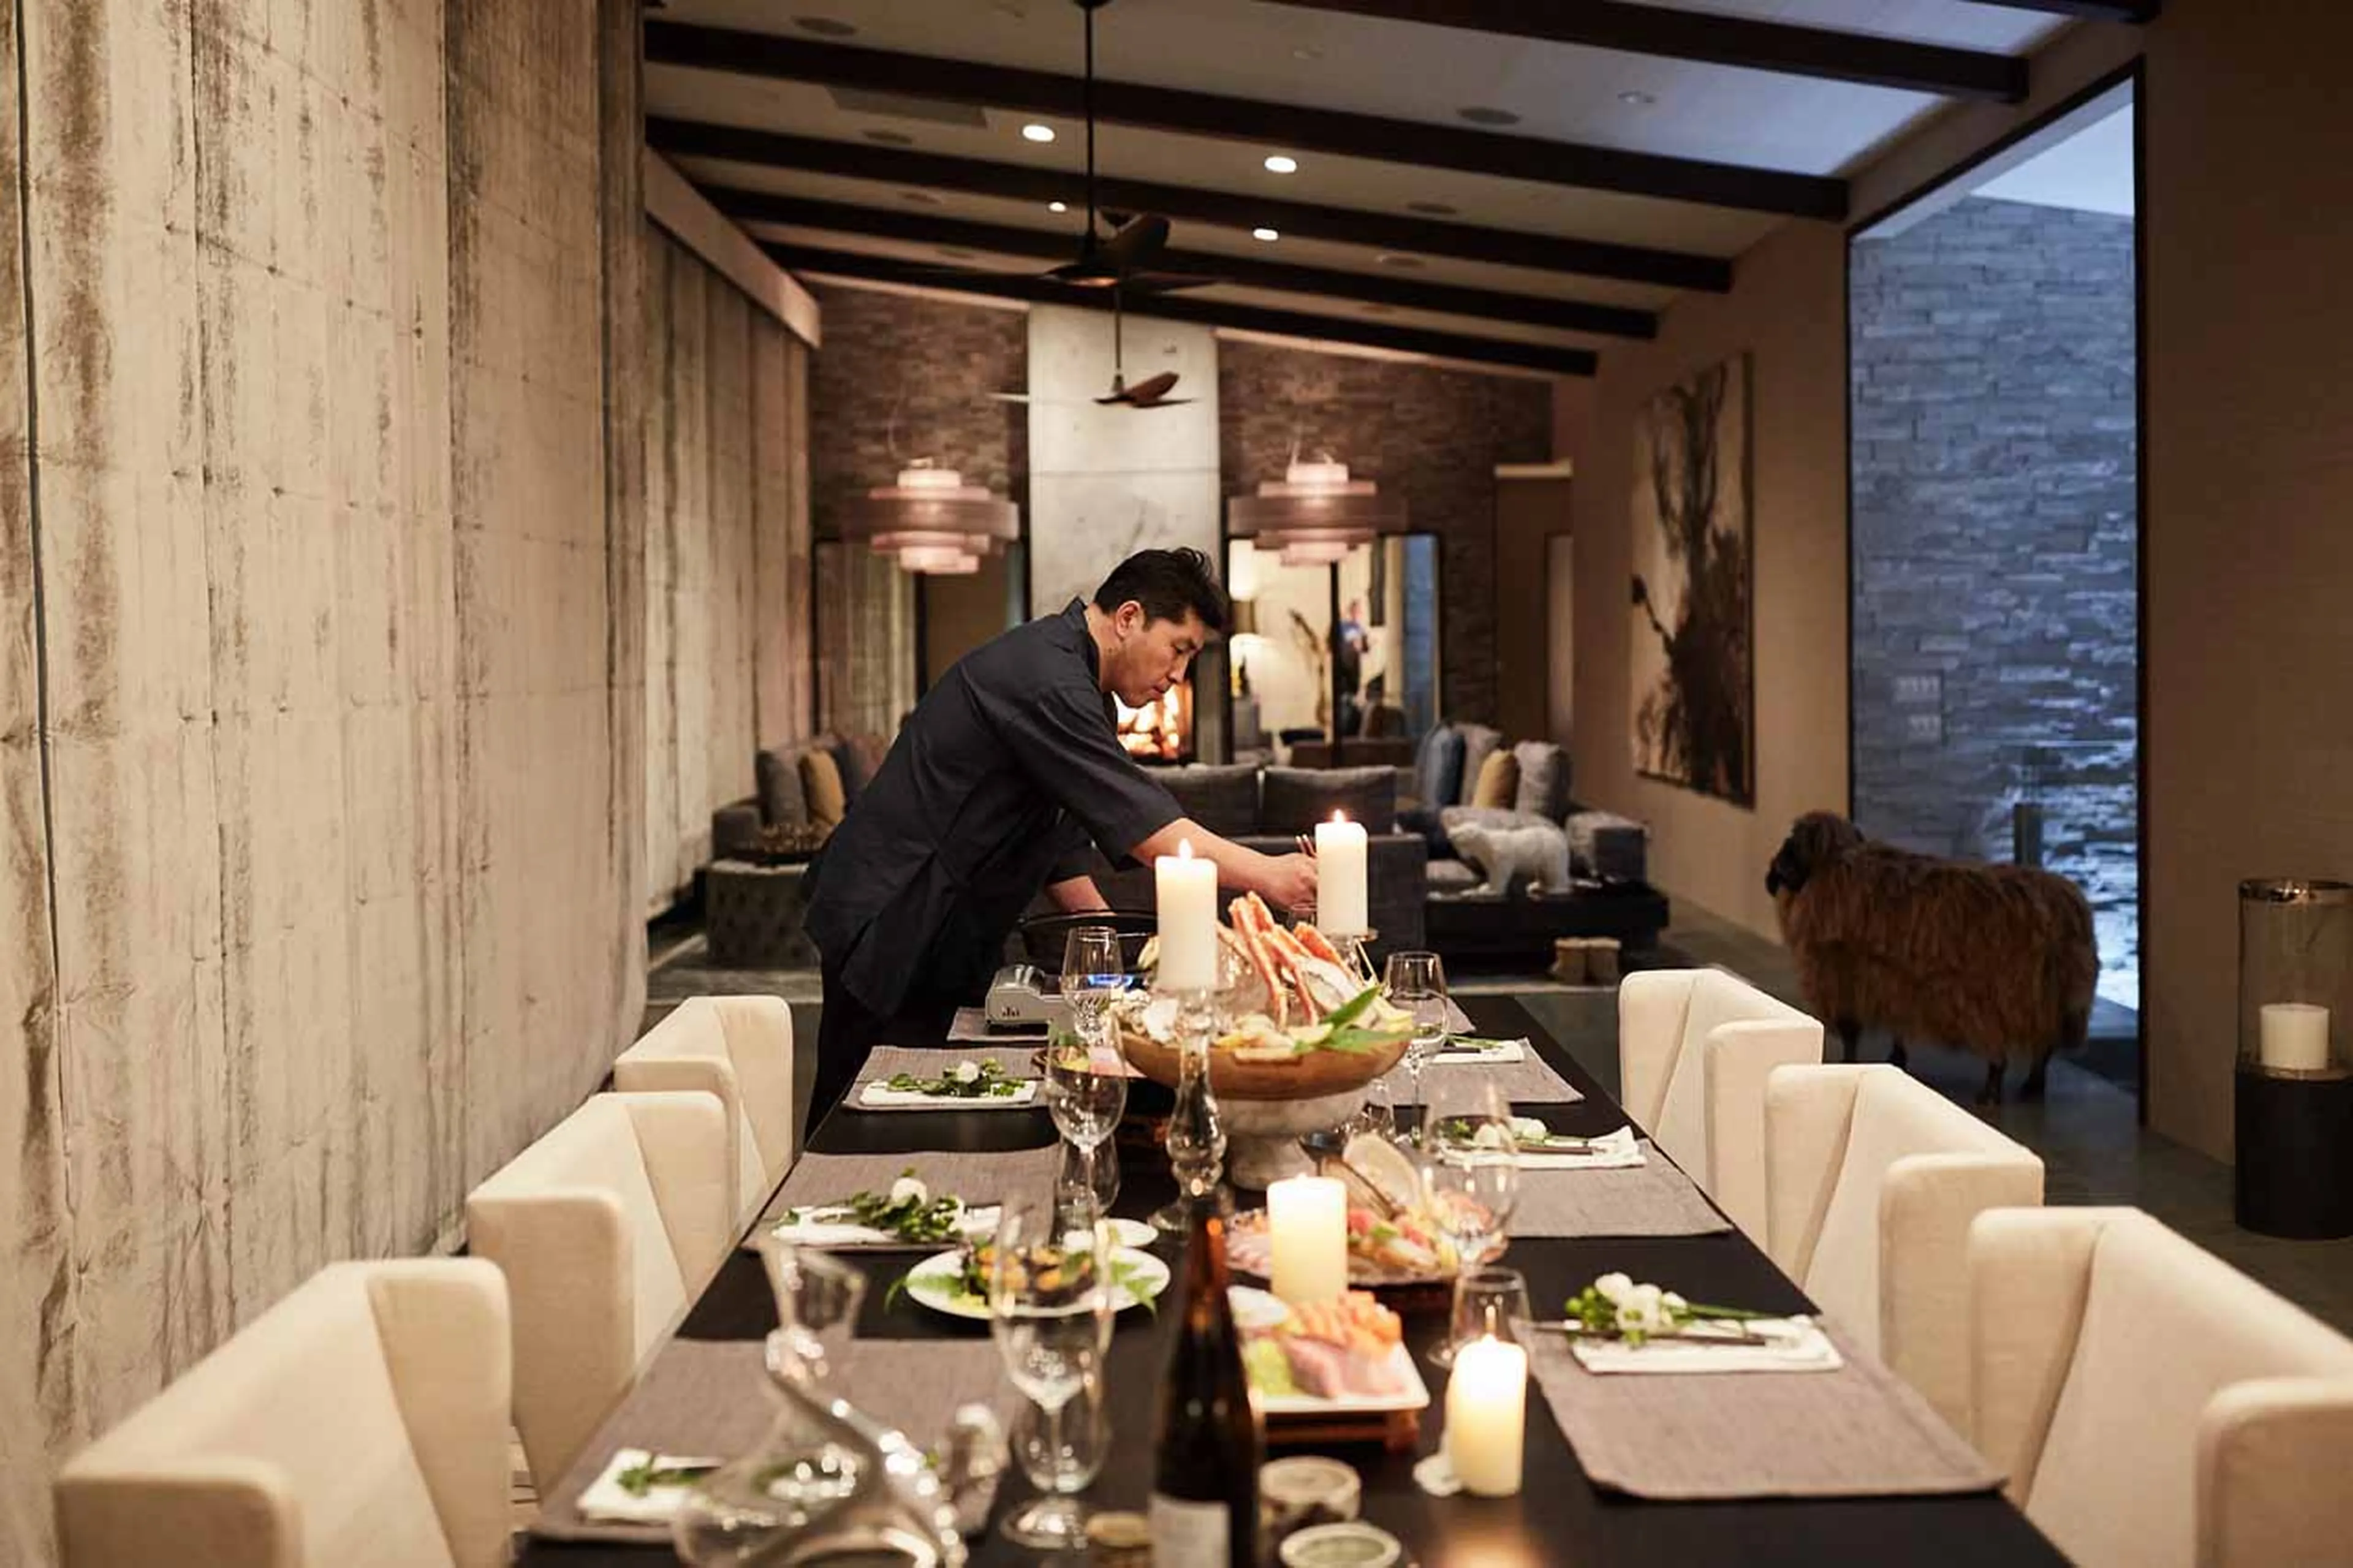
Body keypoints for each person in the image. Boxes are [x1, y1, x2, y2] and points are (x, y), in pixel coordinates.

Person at [800, 548, 1320, 1123]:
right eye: (1179, 650)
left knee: (933, 1101)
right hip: (892, 909)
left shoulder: (1081, 687)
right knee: (857, 1109)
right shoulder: (1047, 677)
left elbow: (1061, 848)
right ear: (1128, 618)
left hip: (947, 923)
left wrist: (1116, 965)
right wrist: (1271, 875)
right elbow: (1149, 828)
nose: (1178, 677)